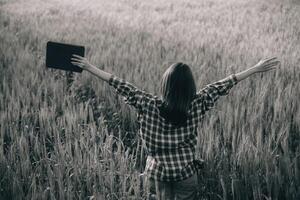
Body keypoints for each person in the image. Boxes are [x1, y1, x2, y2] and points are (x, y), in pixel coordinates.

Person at [71, 55, 279, 200]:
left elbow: (118, 83)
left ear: (165, 85)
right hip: (186, 173)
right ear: (191, 87)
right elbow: (224, 84)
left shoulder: (146, 103)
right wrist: (255, 68)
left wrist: (89, 67)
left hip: (156, 173)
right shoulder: (199, 102)